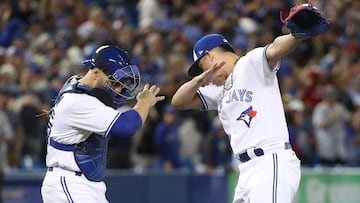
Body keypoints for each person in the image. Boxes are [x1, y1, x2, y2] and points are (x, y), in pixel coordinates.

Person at [171, 32, 305, 202]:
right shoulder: (219, 88)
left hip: (270, 160)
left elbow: (275, 49)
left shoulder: (250, 63)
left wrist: (296, 35)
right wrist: (198, 80)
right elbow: (178, 102)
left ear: (210, 56)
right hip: (246, 169)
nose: (206, 74)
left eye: (203, 67)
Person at [41, 45, 165, 203]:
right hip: (69, 181)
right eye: (115, 82)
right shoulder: (78, 102)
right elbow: (128, 126)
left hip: (83, 182)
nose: (119, 89)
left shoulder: (78, 84)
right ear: (95, 72)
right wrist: (144, 103)